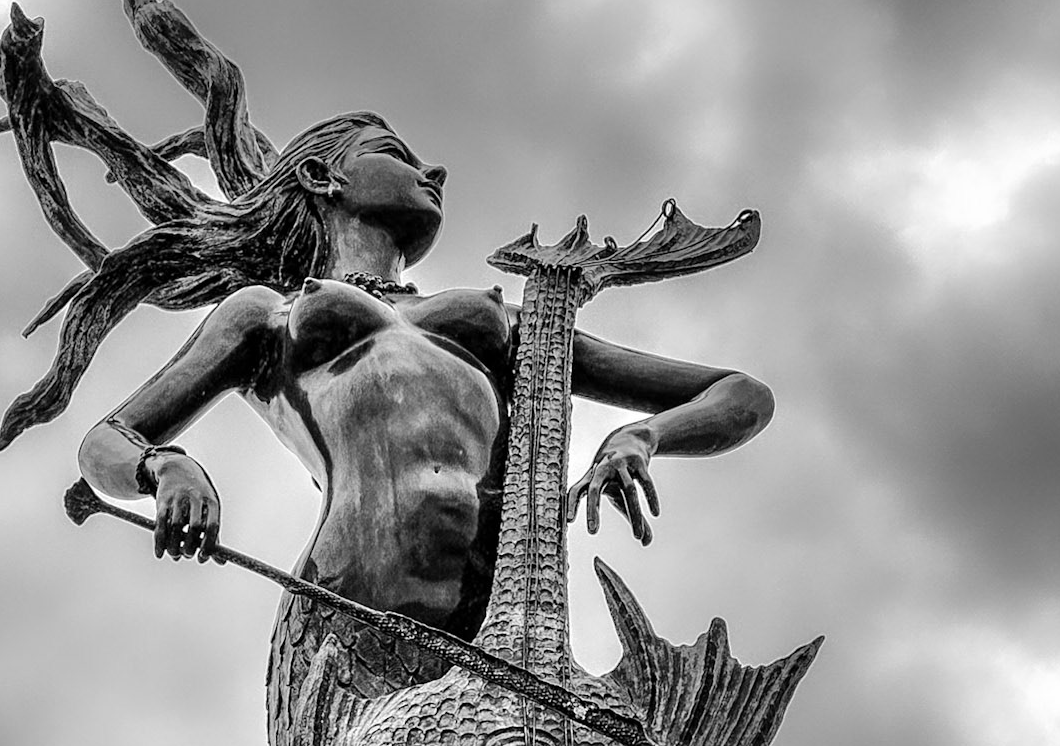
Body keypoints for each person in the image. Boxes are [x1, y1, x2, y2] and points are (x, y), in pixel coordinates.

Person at [74, 115, 775, 661]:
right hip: (346, 623)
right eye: (396, 154)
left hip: (505, 635)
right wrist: (165, 465)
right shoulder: (267, 314)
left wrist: (644, 432)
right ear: (323, 176)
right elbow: (108, 441)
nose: (431, 169)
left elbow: (740, 395)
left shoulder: (505, 321)